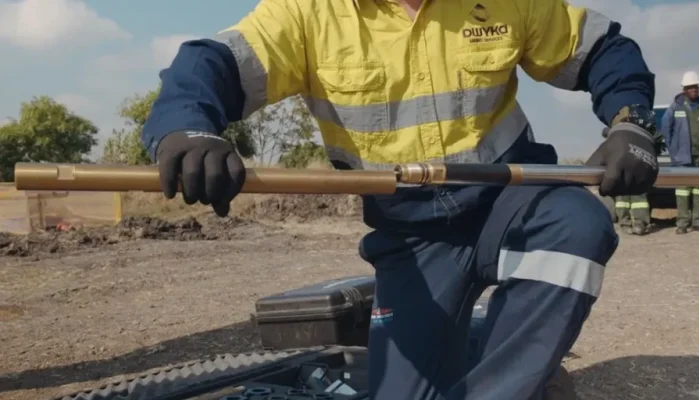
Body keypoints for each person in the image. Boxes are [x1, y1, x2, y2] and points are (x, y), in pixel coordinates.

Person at [140, 1, 661, 398]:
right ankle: (493, 352)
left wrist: (631, 121)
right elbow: (212, 62)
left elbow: (601, 49)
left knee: (575, 224)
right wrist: (187, 127)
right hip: (412, 235)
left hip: (511, 202)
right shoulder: (308, 14)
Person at [661, 71, 699, 234]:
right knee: (683, 189)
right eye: (690, 87)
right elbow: (666, 129)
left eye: (695, 87)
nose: (693, 89)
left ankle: (698, 221)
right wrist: (673, 150)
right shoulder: (675, 107)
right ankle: (682, 223)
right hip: (682, 155)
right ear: (684, 89)